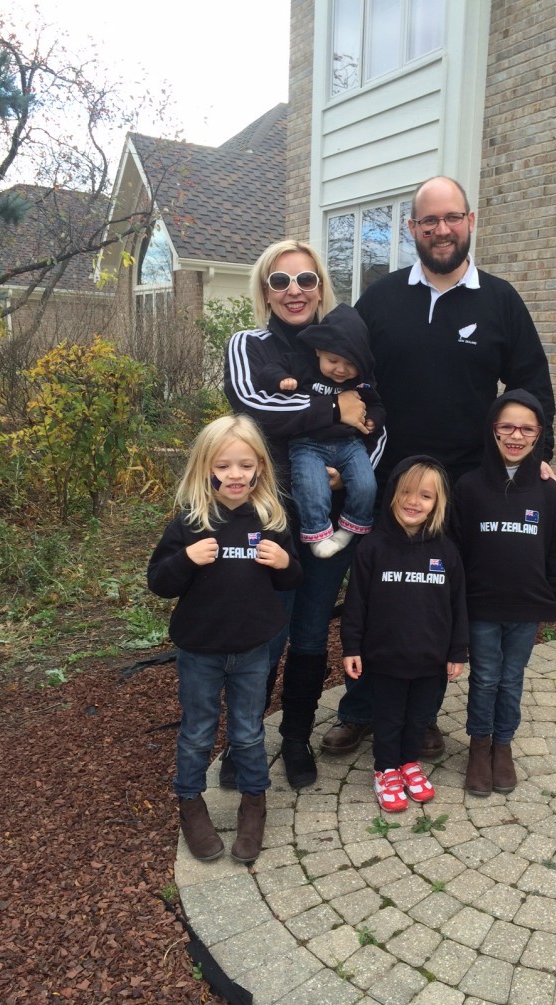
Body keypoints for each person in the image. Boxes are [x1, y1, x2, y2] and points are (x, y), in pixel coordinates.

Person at [322, 174, 556, 758]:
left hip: (461, 486)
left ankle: (422, 713)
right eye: (429, 221)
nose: (441, 230)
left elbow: (531, 384)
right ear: (413, 230)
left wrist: (535, 459)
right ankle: (360, 707)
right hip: (383, 478)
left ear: (470, 221)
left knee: (436, 596)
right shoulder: (381, 297)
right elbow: (338, 367)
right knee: (376, 593)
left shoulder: (500, 300)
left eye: (452, 218)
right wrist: (332, 433)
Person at [224, 241, 374, 790]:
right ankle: (243, 743)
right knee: (264, 635)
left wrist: (349, 471)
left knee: (311, 633)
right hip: (268, 521)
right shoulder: (249, 345)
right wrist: (334, 407)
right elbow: (252, 408)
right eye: (281, 281)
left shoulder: (342, 347)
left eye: (306, 280)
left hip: (328, 527)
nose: (294, 291)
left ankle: (294, 738)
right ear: (265, 290)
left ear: (320, 289)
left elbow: (373, 425)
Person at [147, 415, 302, 862]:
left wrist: (282, 563)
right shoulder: (190, 522)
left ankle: (254, 802)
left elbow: (293, 579)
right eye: (224, 465)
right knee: (197, 731)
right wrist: (187, 559)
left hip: (253, 649)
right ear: (206, 468)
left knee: (248, 732)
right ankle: (190, 802)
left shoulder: (270, 520)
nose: (236, 475)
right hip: (199, 650)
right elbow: (159, 581)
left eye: (245, 465)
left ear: (259, 469)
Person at [451, 390, 556, 796]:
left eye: (526, 428)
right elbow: (455, 548)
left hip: (526, 605)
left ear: (539, 434)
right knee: (485, 678)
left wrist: (551, 596)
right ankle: (479, 745)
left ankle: (503, 746)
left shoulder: (548, 491)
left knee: (511, 677)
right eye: (507, 426)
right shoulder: (469, 487)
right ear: (493, 430)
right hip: (482, 606)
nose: (516, 435)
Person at [341, 457, 468, 812]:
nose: (414, 502)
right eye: (407, 492)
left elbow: (458, 605)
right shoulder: (372, 548)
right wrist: (351, 646)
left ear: (437, 504)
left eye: (425, 496)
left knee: (418, 717)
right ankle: (385, 770)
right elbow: (356, 604)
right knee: (389, 717)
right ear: (392, 494)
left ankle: (409, 762)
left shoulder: (446, 552)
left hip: (430, 658)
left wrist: (458, 651)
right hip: (385, 658)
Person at [259, 302, 385, 558]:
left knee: (366, 485)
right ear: (318, 350)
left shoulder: (360, 382)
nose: (341, 369)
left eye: (350, 364)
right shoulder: (301, 364)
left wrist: (373, 419)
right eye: (333, 360)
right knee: (311, 487)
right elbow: (268, 370)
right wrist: (280, 379)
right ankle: (318, 533)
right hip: (308, 443)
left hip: (350, 445)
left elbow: (376, 403)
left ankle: (350, 525)